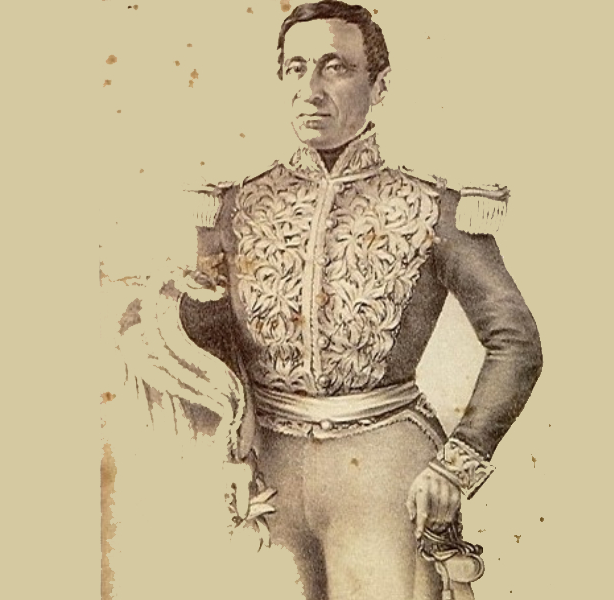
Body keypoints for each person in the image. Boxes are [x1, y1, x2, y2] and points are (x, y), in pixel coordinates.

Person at [165, 2, 542, 599]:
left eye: (335, 67)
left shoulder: (434, 208)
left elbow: (516, 343)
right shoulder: (232, 207)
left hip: (387, 472)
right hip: (265, 473)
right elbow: (209, 347)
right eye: (295, 68)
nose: (310, 89)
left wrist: (456, 464)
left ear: (379, 85)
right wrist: (223, 449)